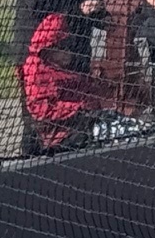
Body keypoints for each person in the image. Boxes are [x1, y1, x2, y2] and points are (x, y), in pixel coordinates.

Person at [20, 11, 101, 150]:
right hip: (61, 136)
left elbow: (82, 86)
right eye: (64, 47)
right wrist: (77, 107)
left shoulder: (59, 67)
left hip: (80, 124)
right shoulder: (38, 69)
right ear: (50, 47)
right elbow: (39, 110)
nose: (69, 52)